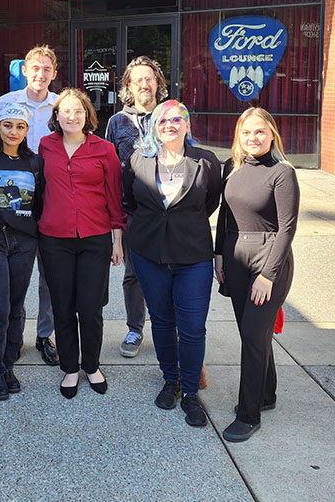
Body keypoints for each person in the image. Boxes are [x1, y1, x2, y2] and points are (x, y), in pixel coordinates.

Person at [122, 100, 220, 427]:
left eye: (177, 119)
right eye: (163, 120)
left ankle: (191, 392)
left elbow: (210, 202)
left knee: (192, 328)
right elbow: (130, 202)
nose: (170, 125)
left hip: (193, 257)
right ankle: (170, 380)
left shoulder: (206, 162)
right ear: (154, 126)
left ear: (187, 125)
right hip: (149, 255)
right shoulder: (138, 159)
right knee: (162, 322)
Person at [215, 107, 299, 443]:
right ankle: (267, 394)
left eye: (260, 132)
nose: (253, 138)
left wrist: (268, 274)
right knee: (255, 336)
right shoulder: (232, 169)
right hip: (235, 262)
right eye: (247, 132)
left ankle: (248, 414)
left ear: (272, 135)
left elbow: (287, 228)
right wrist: (218, 256)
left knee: (252, 334)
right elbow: (224, 218)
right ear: (239, 135)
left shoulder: (282, 173)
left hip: (269, 261)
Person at [37, 88, 125, 398]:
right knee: (62, 307)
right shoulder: (45, 146)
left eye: (79, 111)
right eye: (66, 111)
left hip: (95, 237)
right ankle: (70, 368)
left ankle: (91, 365)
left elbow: (115, 195)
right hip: (54, 238)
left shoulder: (104, 149)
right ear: (56, 116)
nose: (72, 116)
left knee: (90, 308)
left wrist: (117, 239)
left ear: (87, 116)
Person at [0, 44, 60, 366]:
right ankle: (15, 336)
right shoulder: (5, 104)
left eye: (46, 69)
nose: (40, 74)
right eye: (35, 68)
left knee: (48, 278)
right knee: (16, 280)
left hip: (52, 203)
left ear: (54, 73)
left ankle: (44, 335)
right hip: (15, 209)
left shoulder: (59, 105)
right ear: (24, 70)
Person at [0, 103, 44, 400]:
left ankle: (8, 362)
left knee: (16, 306)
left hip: (24, 241)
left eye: (20, 126)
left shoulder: (35, 162)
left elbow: (40, 203)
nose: (13, 132)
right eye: (8, 125)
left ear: (27, 130)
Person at [105, 56, 167, 359]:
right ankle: (135, 328)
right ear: (128, 86)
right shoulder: (117, 122)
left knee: (167, 268)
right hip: (131, 210)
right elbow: (108, 169)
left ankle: (166, 328)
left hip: (166, 211)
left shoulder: (170, 114)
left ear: (158, 83)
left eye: (150, 78)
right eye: (138, 79)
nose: (144, 84)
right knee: (133, 273)